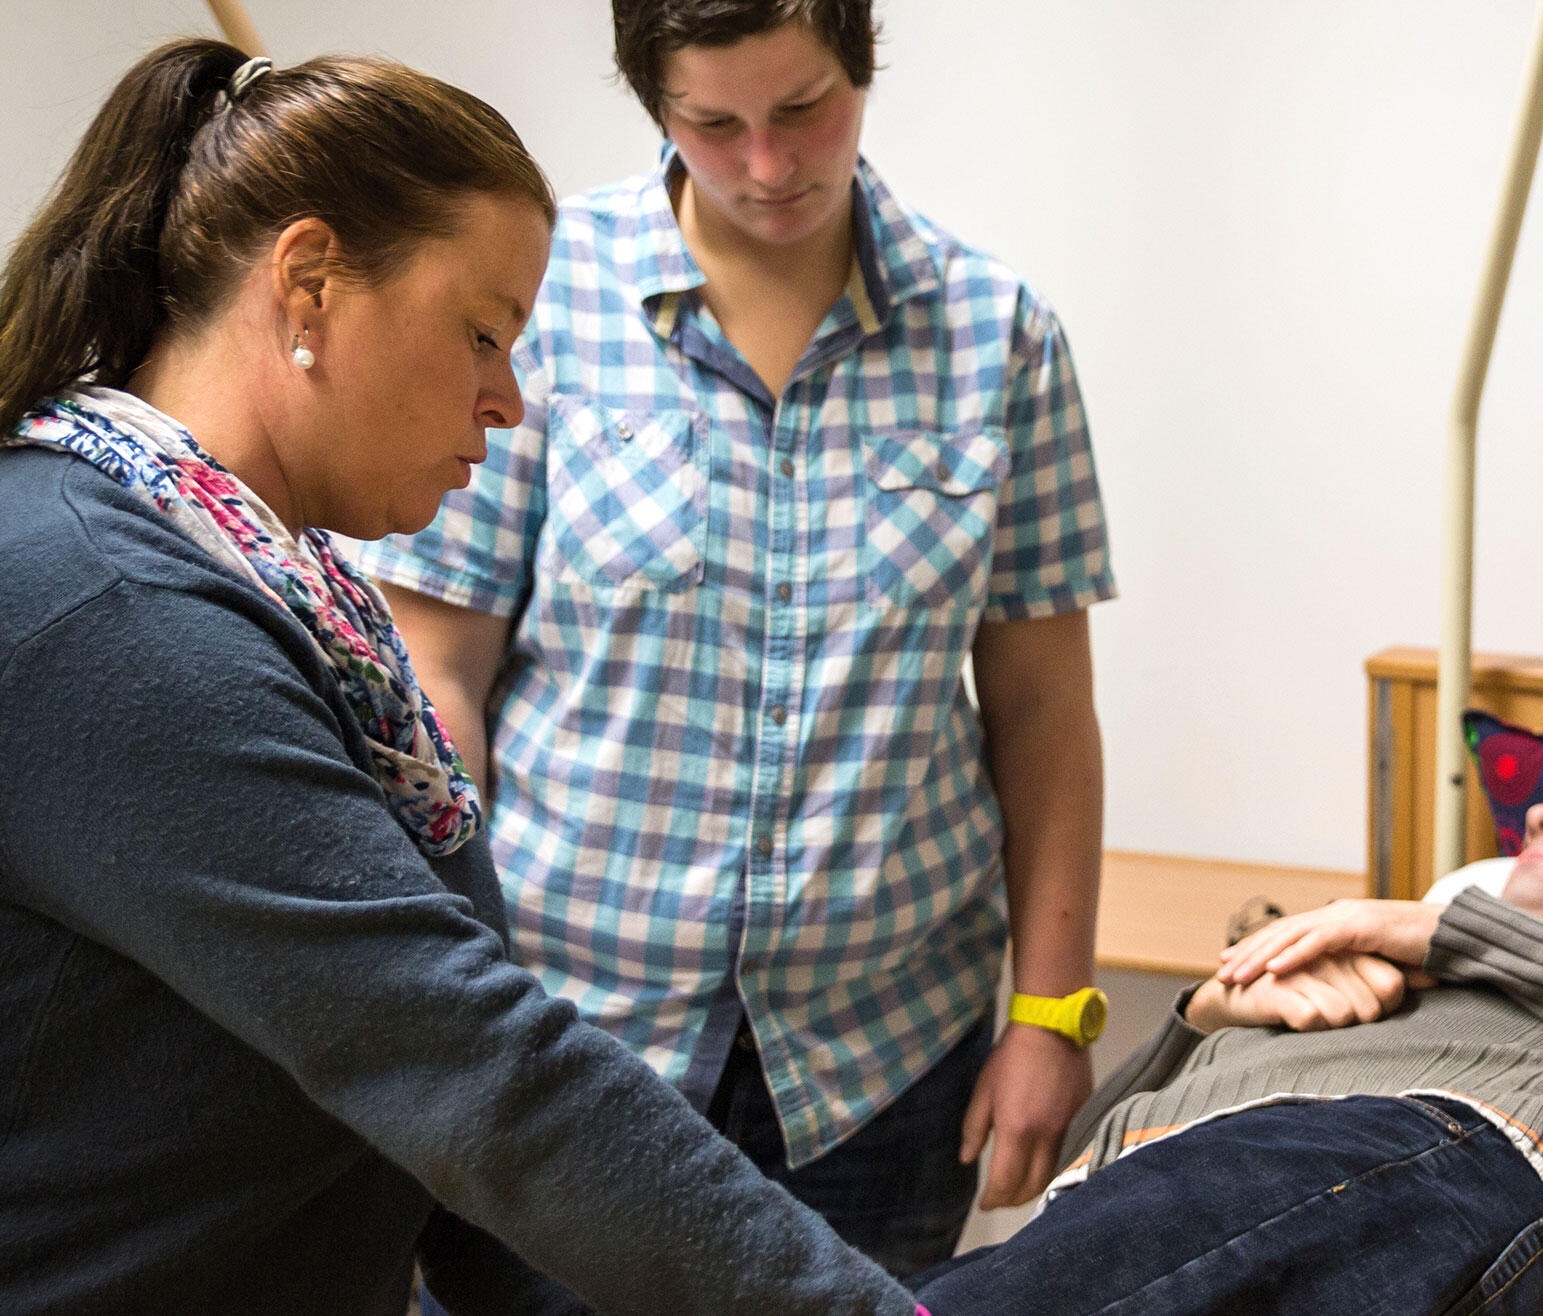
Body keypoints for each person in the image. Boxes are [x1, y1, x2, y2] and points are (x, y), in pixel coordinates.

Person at [0, 39, 926, 1315]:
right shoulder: (108, 607)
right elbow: (460, 1054)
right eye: (483, 335)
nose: (508, 401)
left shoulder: (269, 588)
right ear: (310, 281)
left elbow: (422, 1106)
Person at [350, 0, 1116, 1275]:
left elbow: (1043, 709)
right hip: (565, 1038)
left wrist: (1052, 1011)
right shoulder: (540, 305)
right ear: (656, 103)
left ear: (863, 63)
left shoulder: (1000, 337)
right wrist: (449, 1003)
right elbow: (437, 678)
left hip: (884, 1057)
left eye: (805, 108)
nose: (769, 167)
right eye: (714, 124)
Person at [914, 770, 1543, 1316]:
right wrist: (1203, 1015)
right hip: (1142, 1188)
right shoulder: (1352, 941)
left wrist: (1451, 930)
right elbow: (1085, 1156)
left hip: (1422, 1158)